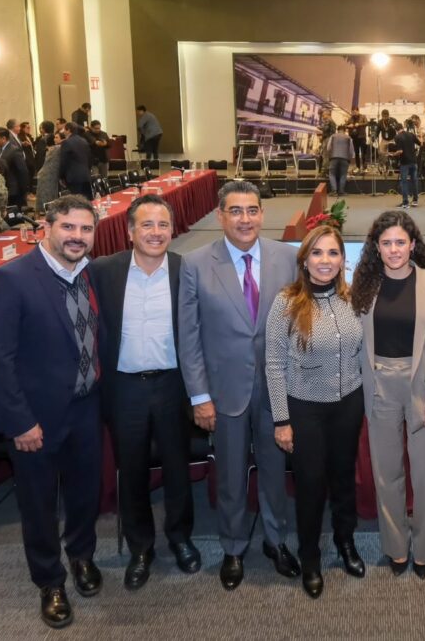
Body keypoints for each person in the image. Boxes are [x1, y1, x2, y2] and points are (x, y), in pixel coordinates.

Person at [0, 195, 103, 629]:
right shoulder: (10, 279)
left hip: (87, 408)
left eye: (85, 229)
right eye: (68, 227)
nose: (77, 237)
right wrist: (19, 420)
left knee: (85, 492)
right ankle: (50, 581)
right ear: (46, 229)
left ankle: (82, 557)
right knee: (38, 503)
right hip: (36, 418)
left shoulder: (90, 274)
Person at [178, 181, 300, 591]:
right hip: (223, 391)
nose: (244, 219)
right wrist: (199, 395)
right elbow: (189, 336)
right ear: (219, 216)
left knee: (273, 470)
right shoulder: (194, 263)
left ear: (263, 214)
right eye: (235, 211)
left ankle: (276, 540)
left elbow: (303, 322)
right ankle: (232, 548)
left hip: (277, 390)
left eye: (252, 210)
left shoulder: (288, 257)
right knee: (230, 475)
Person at [90, 195, 201, 591]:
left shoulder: (185, 269)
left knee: (177, 467)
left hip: (173, 385)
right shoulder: (104, 271)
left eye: (163, 225)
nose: (156, 233)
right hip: (124, 388)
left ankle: (180, 537)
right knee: (132, 470)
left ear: (173, 230)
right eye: (147, 225)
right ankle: (141, 548)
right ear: (129, 230)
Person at [265, 224, 366, 599]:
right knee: (310, 485)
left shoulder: (352, 298)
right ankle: (310, 557)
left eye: (333, 253)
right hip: (304, 408)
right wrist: (281, 420)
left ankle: (345, 542)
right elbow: (273, 363)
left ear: (343, 260)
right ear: (304, 260)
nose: (326, 261)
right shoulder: (287, 302)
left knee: (343, 479)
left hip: (348, 404)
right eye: (318, 253)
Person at [351, 211, 425, 580]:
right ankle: (395, 546)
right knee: (386, 473)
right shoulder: (364, 285)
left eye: (400, 242)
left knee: (424, 474)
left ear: (413, 245)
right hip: (378, 387)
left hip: (421, 385)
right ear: (376, 248)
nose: (394, 250)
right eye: (386, 243)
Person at [0, 128, 29, 208]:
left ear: (3, 138)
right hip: (2, 189)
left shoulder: (14, 150)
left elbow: (22, 171)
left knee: (14, 217)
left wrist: (23, 191)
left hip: (13, 191)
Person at [391, 120, 421, 209]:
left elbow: (400, 151)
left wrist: (392, 154)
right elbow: (420, 143)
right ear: (402, 128)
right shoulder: (411, 134)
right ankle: (415, 201)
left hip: (405, 163)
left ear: (396, 130)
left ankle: (405, 203)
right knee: (414, 181)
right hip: (414, 161)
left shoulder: (397, 137)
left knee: (404, 182)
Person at [59, 123, 92, 199]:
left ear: (68, 130)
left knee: (76, 202)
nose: (63, 132)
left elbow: (64, 161)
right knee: (86, 200)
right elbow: (90, 158)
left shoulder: (66, 143)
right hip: (86, 175)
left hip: (73, 177)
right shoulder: (84, 141)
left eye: (64, 129)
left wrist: (61, 176)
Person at [35, 128, 64, 214]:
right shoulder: (55, 148)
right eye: (54, 137)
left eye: (57, 137)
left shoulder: (58, 148)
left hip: (51, 176)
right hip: (47, 175)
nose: (55, 139)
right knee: (45, 196)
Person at [325, 127, 355, 196]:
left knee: (332, 174)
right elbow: (351, 150)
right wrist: (350, 158)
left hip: (334, 157)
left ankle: (334, 191)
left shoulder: (332, 136)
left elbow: (328, 148)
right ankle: (341, 191)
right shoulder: (348, 138)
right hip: (345, 158)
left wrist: (330, 154)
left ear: (337, 130)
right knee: (343, 175)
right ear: (345, 131)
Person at [347, 106, 369, 173]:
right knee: (356, 153)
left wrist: (359, 124)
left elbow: (367, 123)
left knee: (363, 153)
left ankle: (365, 168)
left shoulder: (363, 116)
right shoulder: (350, 118)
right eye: (352, 112)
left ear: (358, 111)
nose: (354, 113)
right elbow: (345, 125)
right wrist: (348, 126)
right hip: (354, 137)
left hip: (362, 137)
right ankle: (358, 167)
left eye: (355, 112)